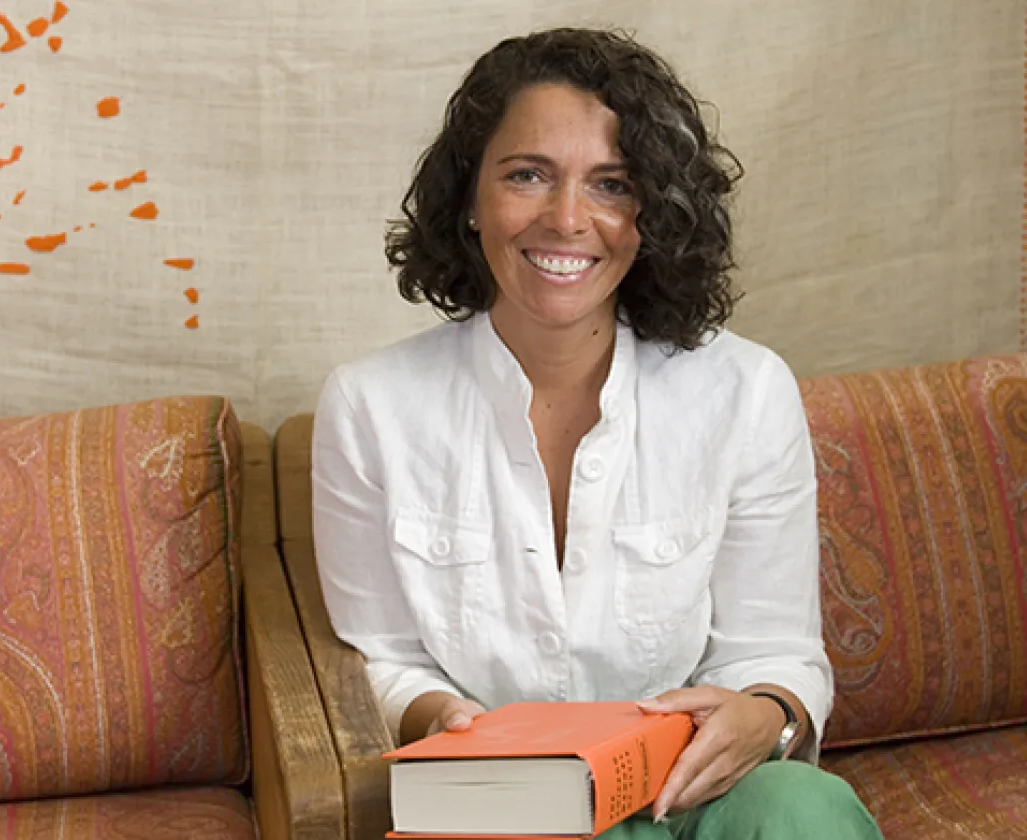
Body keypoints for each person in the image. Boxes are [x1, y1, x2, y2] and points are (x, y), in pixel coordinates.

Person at [310, 27, 883, 839]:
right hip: (501, 810)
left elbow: (773, 648)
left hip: (692, 789)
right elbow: (381, 658)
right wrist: (439, 715)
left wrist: (766, 713)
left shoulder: (748, 391)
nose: (568, 218)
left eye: (612, 184)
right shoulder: (368, 407)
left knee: (801, 808)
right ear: (469, 197)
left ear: (653, 214)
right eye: (527, 175)